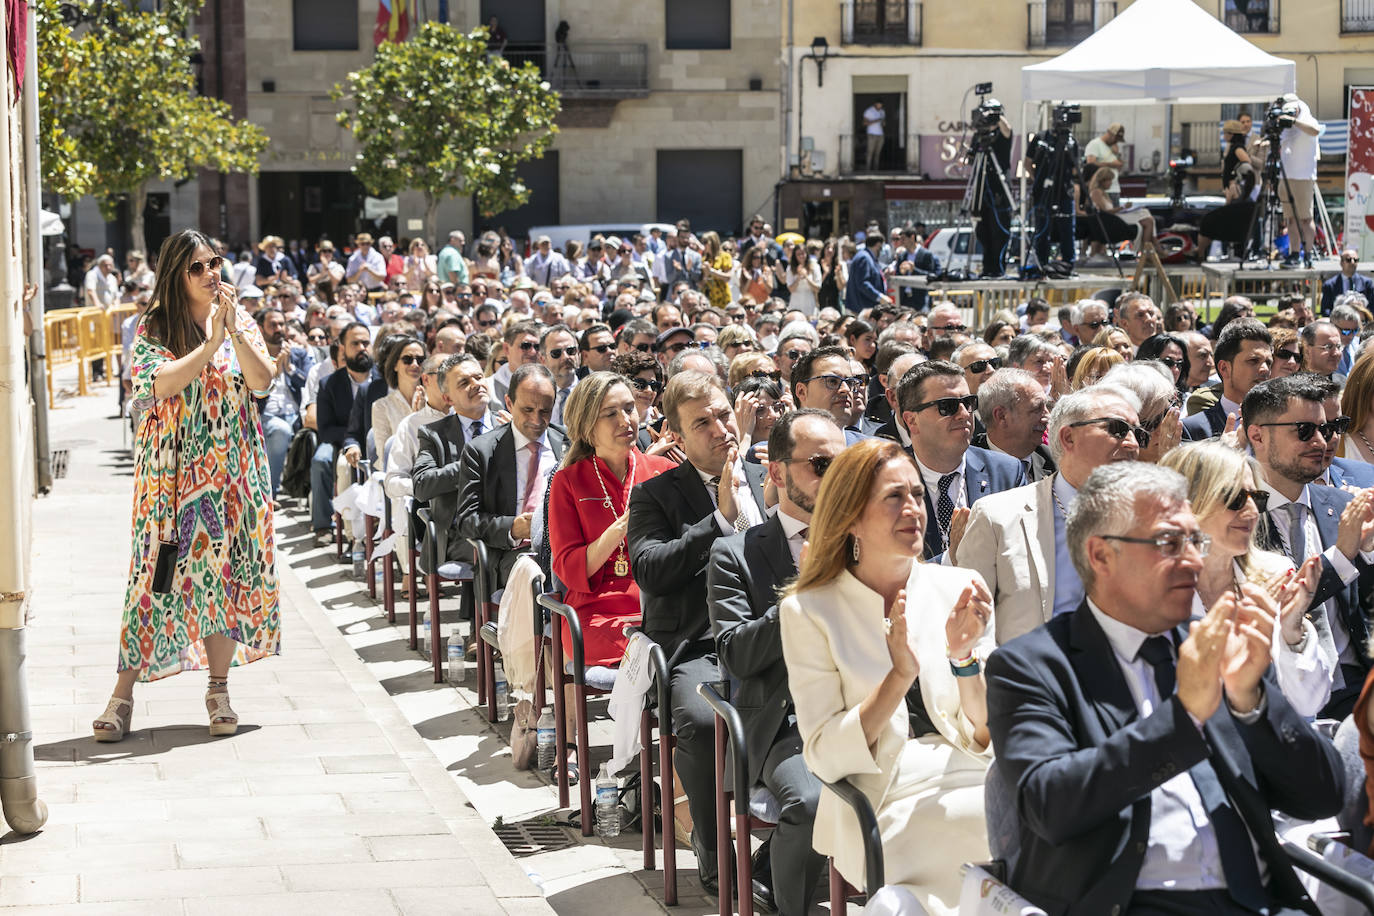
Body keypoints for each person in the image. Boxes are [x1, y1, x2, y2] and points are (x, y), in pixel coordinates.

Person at [986, 461, 1344, 916]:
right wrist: (1183, 718)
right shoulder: (1031, 666)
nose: (1194, 559)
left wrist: (1250, 702)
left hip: (1257, 902)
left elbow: (1322, 796)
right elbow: (1050, 805)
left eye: (1194, 540)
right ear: (1101, 556)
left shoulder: (1217, 646)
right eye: (1168, 543)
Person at [778, 438, 994, 916]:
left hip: (974, 776)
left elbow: (986, 730)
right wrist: (898, 678)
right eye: (894, 497)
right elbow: (823, 755)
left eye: (917, 494)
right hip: (881, 797)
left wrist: (963, 659)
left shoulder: (958, 587)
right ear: (851, 516)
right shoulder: (809, 610)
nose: (914, 509)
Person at [94, 229, 279, 743]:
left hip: (231, 475)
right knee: (153, 581)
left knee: (222, 577)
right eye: (197, 266)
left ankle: (219, 691)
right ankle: (122, 696)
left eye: (214, 262)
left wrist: (233, 333)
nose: (210, 273)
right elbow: (157, 384)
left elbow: (262, 381)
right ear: (176, 274)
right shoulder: (155, 325)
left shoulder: (237, 318)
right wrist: (211, 343)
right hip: (172, 479)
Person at [627, 370, 768, 894]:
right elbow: (651, 568)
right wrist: (719, 520)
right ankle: (714, 846)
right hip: (697, 646)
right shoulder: (655, 494)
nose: (719, 430)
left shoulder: (767, 474)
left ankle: (783, 855)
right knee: (704, 722)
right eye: (702, 423)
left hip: (772, 636)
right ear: (678, 438)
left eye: (724, 416)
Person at [953, 384, 1143, 644]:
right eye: (1117, 430)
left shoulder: (1153, 521)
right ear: (1068, 438)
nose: (1132, 444)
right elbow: (970, 629)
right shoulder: (997, 517)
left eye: (1138, 433)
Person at [1160, 442, 1334, 717]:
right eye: (1235, 498)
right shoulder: (1151, 592)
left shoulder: (1276, 574)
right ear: (1188, 505)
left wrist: (1292, 633)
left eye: (1257, 497)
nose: (1252, 511)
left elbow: (1311, 703)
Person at [1243, 374, 1374, 717]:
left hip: (1354, 688)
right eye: (1304, 430)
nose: (1322, 441)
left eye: (1328, 429)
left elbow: (1363, 604)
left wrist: (1369, 553)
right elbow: (1277, 607)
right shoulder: (1236, 515)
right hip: (1280, 697)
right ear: (1257, 435)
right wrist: (1343, 557)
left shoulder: (1341, 504)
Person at [548, 372, 675, 669]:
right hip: (597, 615)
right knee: (646, 655)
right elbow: (568, 568)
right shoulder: (568, 481)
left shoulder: (663, 471)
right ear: (588, 428)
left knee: (663, 647)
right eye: (610, 414)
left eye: (629, 408)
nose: (625, 420)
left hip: (660, 606)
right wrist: (621, 528)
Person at [456, 363, 568, 594]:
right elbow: (467, 520)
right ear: (508, 403)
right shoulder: (482, 451)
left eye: (544, 411)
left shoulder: (569, 444)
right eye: (527, 410)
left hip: (564, 548)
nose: (537, 420)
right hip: (514, 554)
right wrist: (513, 528)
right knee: (540, 577)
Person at [898, 360, 1024, 559]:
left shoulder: (1006, 473)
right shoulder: (886, 480)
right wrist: (949, 560)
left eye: (968, 403)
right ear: (911, 420)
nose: (964, 414)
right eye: (947, 406)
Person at [1181, 318, 1272, 440]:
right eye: (1253, 361)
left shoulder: (1284, 424)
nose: (1265, 369)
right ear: (1224, 368)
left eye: (1268, 362)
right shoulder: (1192, 430)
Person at [973, 368, 1055, 482]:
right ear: (1001, 416)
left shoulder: (1052, 459)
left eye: (1046, 406)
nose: (1048, 417)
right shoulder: (968, 467)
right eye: (1037, 409)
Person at [1277, 92, 1322, 264]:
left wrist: (1294, 121)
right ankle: (1294, 253)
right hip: (1286, 176)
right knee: (1290, 219)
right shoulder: (1285, 130)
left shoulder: (1307, 120)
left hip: (1303, 177)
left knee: (1305, 218)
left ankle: (1308, 252)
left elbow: (1315, 130)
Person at [845, 232, 889, 314]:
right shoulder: (864, 258)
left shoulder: (868, 257)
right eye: (881, 246)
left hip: (865, 308)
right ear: (878, 244)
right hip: (862, 309)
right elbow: (863, 283)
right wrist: (880, 297)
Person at [1320, 249, 1374, 314]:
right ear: (1341, 263)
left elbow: (1372, 307)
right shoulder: (1329, 285)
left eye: (1356, 260)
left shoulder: (1367, 283)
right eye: (1349, 260)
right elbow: (1325, 309)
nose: (1353, 262)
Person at [862, 100, 885, 170]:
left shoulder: (882, 112)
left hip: (880, 134)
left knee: (877, 153)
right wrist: (876, 121)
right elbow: (864, 123)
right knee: (870, 152)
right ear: (875, 104)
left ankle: (876, 169)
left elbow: (883, 122)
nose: (880, 106)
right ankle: (868, 169)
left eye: (881, 105)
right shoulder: (869, 111)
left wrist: (883, 123)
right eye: (879, 104)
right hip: (871, 134)